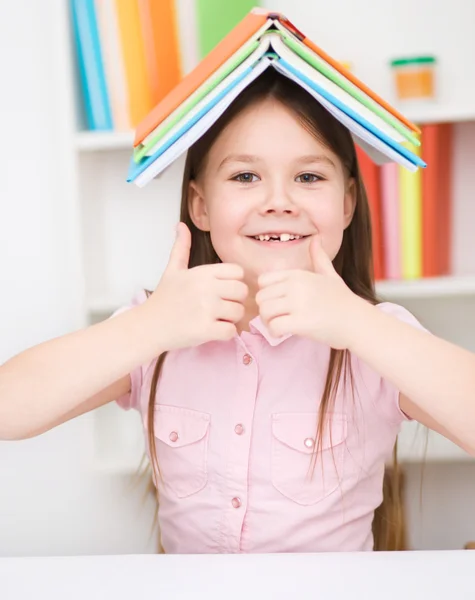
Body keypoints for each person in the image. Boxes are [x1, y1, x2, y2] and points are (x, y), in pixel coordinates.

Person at [1, 71, 475, 554]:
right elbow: (8, 410)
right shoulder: (155, 329)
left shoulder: (373, 338)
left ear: (348, 202)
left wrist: (358, 325)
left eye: (308, 177)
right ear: (200, 206)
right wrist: (148, 327)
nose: (278, 202)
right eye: (245, 176)